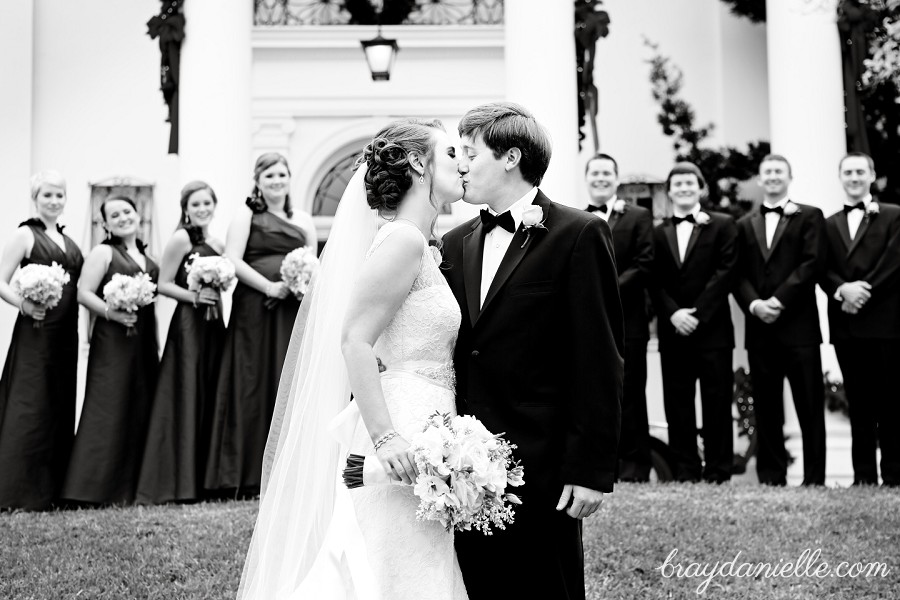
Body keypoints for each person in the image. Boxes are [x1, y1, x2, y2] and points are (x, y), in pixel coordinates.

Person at [236, 119, 467, 599]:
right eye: (451, 154)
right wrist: (386, 438)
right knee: (388, 564)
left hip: (429, 419)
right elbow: (355, 341)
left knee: (411, 561)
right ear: (419, 163)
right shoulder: (402, 239)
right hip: (401, 426)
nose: (463, 163)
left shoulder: (418, 242)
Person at [441, 102, 623, 600]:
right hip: (461, 465)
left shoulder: (579, 233)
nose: (459, 164)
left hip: (545, 466)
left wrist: (590, 470)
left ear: (510, 157)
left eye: (470, 152)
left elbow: (599, 358)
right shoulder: (454, 243)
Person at [205, 153, 317, 497]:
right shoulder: (246, 214)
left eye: (282, 174)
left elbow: (312, 261)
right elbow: (232, 259)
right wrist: (269, 285)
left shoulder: (303, 219)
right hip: (255, 307)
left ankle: (288, 472)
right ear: (258, 180)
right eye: (269, 175)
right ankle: (245, 472)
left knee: (287, 378)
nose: (277, 180)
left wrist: (300, 287)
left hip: (290, 310)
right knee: (252, 379)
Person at [734, 154, 827, 486]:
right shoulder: (744, 224)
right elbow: (737, 273)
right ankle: (771, 476)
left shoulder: (811, 216)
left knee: (810, 406)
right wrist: (755, 305)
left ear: (789, 177)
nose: (772, 177)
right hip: (760, 331)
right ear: (760, 180)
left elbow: (812, 263)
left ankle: (815, 478)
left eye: (778, 172)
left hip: (800, 328)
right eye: (767, 172)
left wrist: (778, 300)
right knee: (767, 407)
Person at [62, 196, 160, 505]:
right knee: (108, 405)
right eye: (114, 215)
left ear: (137, 215)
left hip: (142, 340)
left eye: (127, 212)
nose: (122, 218)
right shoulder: (104, 252)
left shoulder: (147, 257)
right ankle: (91, 489)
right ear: (105, 224)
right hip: (112, 339)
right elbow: (83, 293)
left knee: (139, 404)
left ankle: (131, 487)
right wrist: (112, 313)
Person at [136, 181, 227, 504]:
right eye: (195, 204)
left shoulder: (216, 241)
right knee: (188, 390)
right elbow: (162, 284)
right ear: (185, 209)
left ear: (214, 205)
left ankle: (203, 478)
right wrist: (194, 295)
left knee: (209, 388)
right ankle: (178, 482)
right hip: (189, 323)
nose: (202, 209)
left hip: (214, 322)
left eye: (206, 203)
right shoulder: (181, 238)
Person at [650, 162, 738, 483]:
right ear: (669, 190)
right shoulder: (656, 231)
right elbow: (653, 278)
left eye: (690, 182)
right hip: (673, 332)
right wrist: (673, 313)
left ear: (701, 187)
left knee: (716, 403)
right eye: (678, 183)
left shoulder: (725, 225)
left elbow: (725, 273)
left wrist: (697, 314)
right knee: (678, 405)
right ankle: (685, 471)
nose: (684, 188)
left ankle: (718, 472)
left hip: (713, 332)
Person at [0, 171, 84, 511]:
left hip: (66, 333)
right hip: (36, 333)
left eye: (59, 195)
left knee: (58, 402)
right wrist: (23, 303)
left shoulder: (66, 238)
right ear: (36, 198)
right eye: (47, 195)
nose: (54, 201)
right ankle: (16, 489)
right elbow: (1, 280)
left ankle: (51, 488)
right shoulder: (25, 234)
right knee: (29, 403)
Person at [820, 152, 900, 486]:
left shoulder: (894, 215)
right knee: (859, 403)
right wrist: (842, 290)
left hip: (885, 322)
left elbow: (895, 260)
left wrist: (862, 293)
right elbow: (821, 266)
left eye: (859, 171)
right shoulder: (828, 223)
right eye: (847, 172)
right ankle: (863, 476)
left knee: (891, 402)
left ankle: (894, 475)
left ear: (872, 175)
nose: (854, 177)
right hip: (846, 324)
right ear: (840, 177)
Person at [585, 152, 654, 482]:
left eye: (606, 173)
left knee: (632, 393)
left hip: (630, 323)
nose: (600, 178)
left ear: (616, 178)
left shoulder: (639, 216)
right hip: (591, 326)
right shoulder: (577, 219)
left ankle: (637, 468)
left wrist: (606, 288)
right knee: (596, 395)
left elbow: (645, 264)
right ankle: (604, 467)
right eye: (594, 173)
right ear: (587, 179)